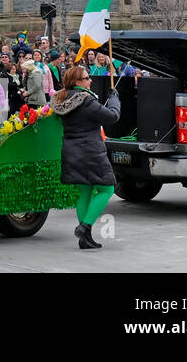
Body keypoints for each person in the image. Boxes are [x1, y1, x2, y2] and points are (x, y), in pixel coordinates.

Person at [52, 63, 121, 249]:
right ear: (77, 82)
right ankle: (84, 227)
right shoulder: (85, 100)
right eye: (87, 78)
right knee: (107, 189)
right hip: (89, 151)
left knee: (85, 191)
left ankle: (85, 239)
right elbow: (112, 116)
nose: (90, 80)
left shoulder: (63, 98)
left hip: (71, 151)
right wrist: (115, 99)